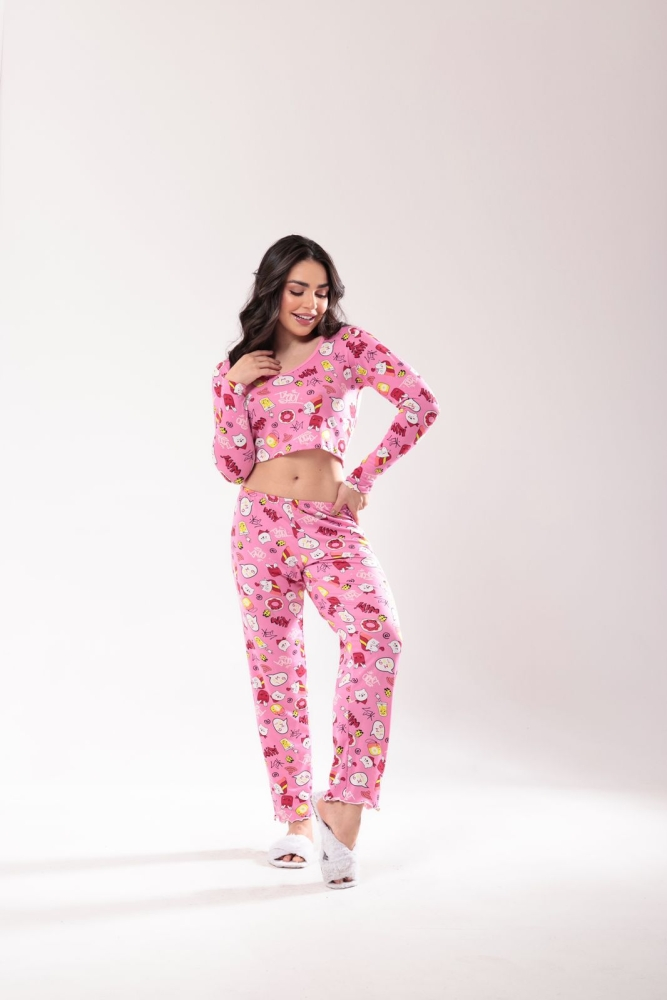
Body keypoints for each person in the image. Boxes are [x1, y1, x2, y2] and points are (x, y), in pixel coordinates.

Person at [211, 235, 440, 888]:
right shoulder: (241, 366)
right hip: (259, 527)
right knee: (275, 668)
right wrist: (230, 388)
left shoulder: (349, 348)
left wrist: (361, 477)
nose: (310, 303)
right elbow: (231, 465)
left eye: (320, 291)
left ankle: (344, 802)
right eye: (297, 289)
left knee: (378, 636)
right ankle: (294, 820)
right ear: (272, 290)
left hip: (327, 525)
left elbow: (420, 403)